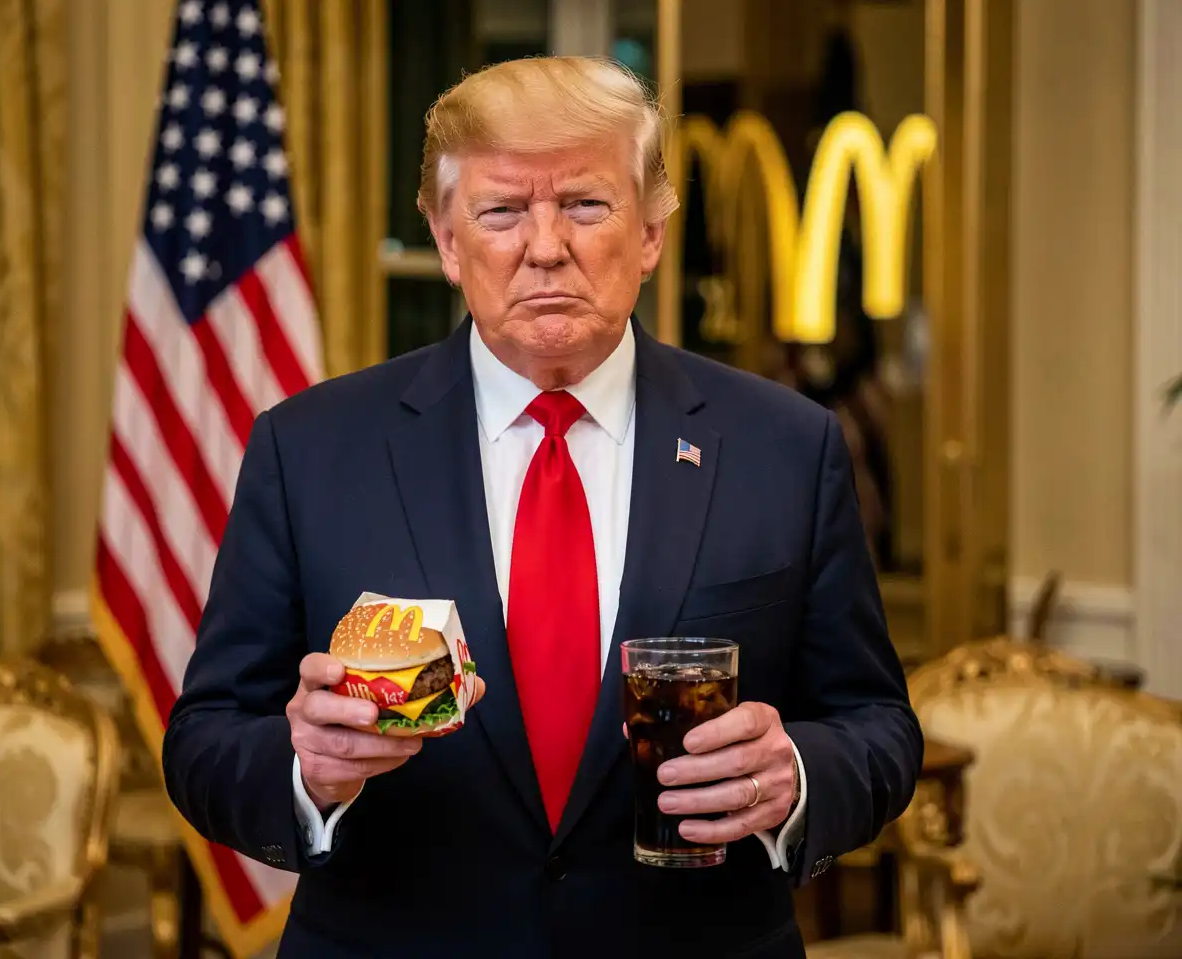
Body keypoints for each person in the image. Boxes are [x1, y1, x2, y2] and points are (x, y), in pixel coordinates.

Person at [163, 56, 922, 958]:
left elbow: (877, 728)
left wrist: (792, 778)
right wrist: (305, 771)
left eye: (586, 205)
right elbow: (203, 744)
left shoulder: (787, 449)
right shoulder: (310, 449)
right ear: (447, 242)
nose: (546, 244)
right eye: (501, 211)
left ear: (650, 233)